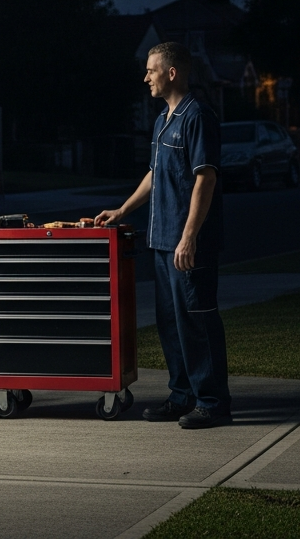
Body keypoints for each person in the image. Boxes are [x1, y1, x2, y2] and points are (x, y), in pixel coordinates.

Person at [95, 42, 231, 429]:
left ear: (172, 72)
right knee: (170, 322)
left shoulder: (198, 116)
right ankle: (182, 395)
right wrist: (122, 209)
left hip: (189, 243)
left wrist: (189, 237)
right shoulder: (161, 120)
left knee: (198, 322)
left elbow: (206, 177)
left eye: (151, 70)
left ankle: (213, 403)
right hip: (160, 241)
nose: (146, 77)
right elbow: (156, 174)